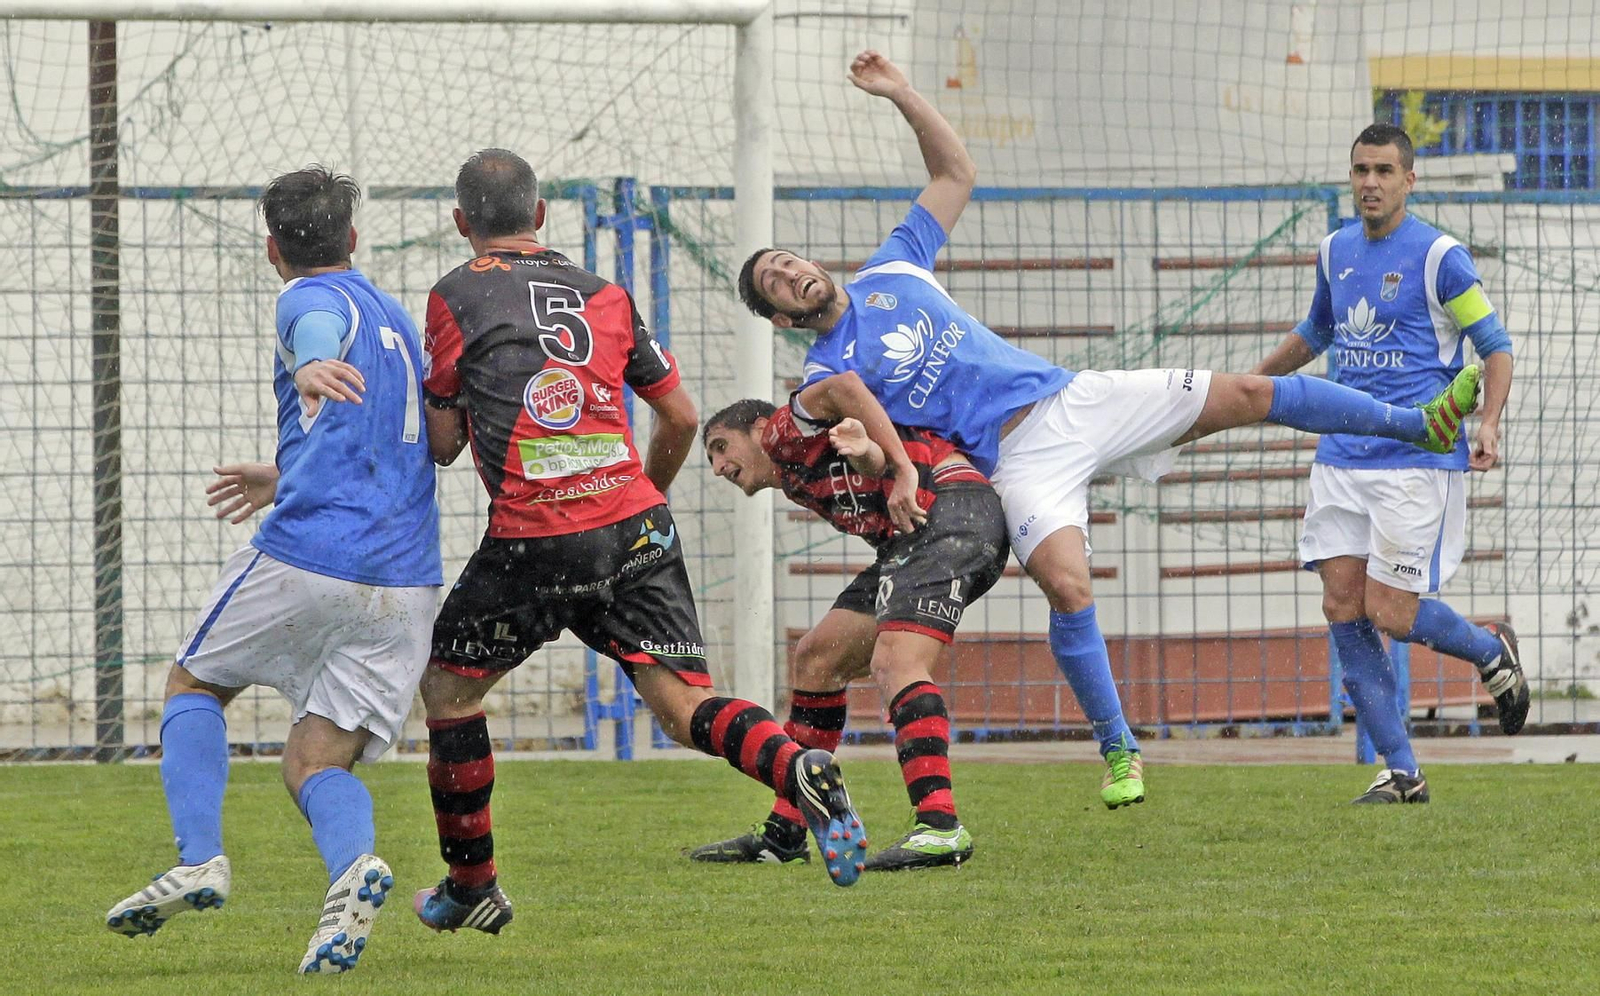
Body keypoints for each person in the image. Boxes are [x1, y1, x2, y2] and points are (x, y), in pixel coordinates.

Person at [734, 51, 1485, 810]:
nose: (790, 271)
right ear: (782, 317)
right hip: (1018, 460)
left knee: (1256, 391)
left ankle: (1417, 424)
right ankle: (1120, 748)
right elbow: (866, 454)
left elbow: (955, 173)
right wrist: (871, 454)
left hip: (1075, 400)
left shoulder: (894, 269)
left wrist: (900, 92)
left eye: (787, 258)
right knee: (1066, 585)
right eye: (774, 281)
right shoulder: (826, 378)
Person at [412, 150, 869, 932]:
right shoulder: (607, 295)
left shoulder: (456, 294)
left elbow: (446, 442)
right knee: (680, 703)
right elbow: (685, 418)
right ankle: (797, 765)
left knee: (450, 693)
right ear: (543, 214)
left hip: (536, 531)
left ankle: (473, 883)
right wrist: (644, 498)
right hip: (633, 521)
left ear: (463, 224)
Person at [103, 166, 443, 975]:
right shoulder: (396, 318)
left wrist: (306, 368)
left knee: (192, 686)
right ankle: (355, 870)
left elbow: (314, 324)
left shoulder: (305, 297)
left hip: (313, 552)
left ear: (271, 249)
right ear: (354, 239)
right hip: (407, 579)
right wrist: (285, 471)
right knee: (316, 763)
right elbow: (400, 442)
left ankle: (199, 858)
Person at [1253, 123, 1528, 804]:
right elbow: (1318, 331)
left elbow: (1494, 346)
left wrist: (1487, 422)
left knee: (1394, 613)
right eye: (1360, 171)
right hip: (1342, 456)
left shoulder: (1442, 257)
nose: (1369, 182)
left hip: (1415, 460)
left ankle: (1489, 650)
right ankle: (1402, 773)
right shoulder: (1334, 251)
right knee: (1343, 605)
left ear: (1409, 180)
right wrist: (1253, 384)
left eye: (1383, 170)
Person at [695, 382, 1008, 871]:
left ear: (758, 429)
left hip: (952, 510)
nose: (718, 468)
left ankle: (940, 827)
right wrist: (870, 454)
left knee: (896, 660)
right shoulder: (797, 479)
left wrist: (886, 457)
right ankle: (787, 830)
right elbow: (867, 461)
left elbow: (842, 388)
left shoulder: (781, 431)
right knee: (818, 657)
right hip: (911, 540)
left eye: (720, 447)